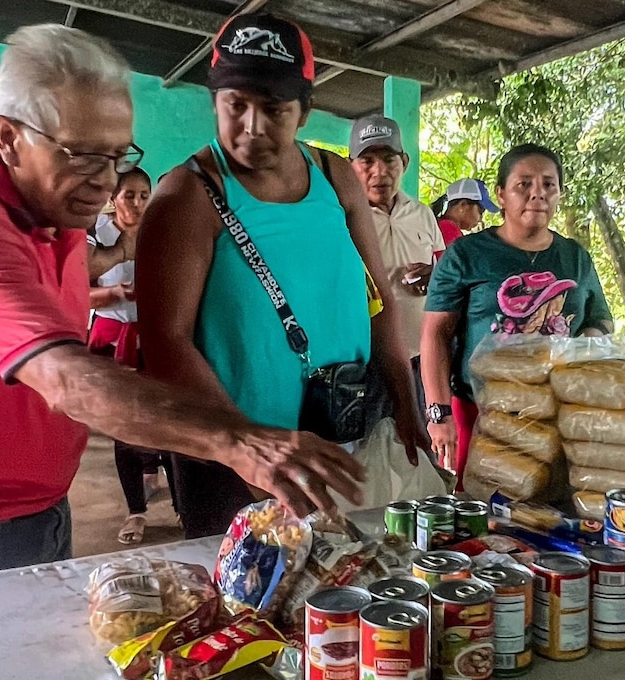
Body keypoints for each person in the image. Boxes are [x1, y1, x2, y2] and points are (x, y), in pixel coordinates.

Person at [0, 23, 365, 585]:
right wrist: (239, 443)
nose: (105, 182)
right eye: (82, 155)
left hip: (35, 493)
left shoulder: (49, 203)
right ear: (8, 137)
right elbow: (67, 380)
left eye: (116, 155)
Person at [136, 12, 426, 539]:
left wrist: (407, 401)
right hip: (234, 466)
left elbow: (378, 297)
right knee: (247, 586)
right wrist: (247, 448)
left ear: (305, 111)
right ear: (214, 100)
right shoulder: (187, 196)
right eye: (236, 105)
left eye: (274, 109)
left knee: (346, 574)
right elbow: (165, 344)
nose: (252, 126)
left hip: (341, 435)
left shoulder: (336, 178)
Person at [421, 144, 613, 488]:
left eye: (548, 185)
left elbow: (600, 319)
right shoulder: (466, 254)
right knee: (480, 506)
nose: (537, 193)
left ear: (559, 194)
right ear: (501, 195)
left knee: (552, 504)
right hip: (480, 414)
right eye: (524, 184)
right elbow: (436, 334)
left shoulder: (575, 257)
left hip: (558, 415)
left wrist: (584, 343)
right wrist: (439, 414)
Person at [87, 167, 173, 545]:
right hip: (113, 339)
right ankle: (136, 511)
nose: (137, 203)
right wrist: (111, 295)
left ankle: (182, 502)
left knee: (165, 422)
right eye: (128, 195)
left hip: (155, 339)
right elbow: (77, 292)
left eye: (143, 196)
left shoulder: (162, 232)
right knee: (123, 425)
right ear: (113, 198)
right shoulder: (97, 236)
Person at [348, 115, 443, 425]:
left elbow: (444, 271)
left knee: (420, 441)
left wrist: (434, 276)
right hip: (367, 361)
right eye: (367, 161)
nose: (380, 172)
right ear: (350, 167)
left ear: (404, 162)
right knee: (369, 443)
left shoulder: (423, 214)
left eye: (389, 159)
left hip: (420, 357)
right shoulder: (342, 218)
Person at [432, 178, 499, 253]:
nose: (480, 219)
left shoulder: (441, 225)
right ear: (463, 205)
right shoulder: (449, 229)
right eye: (481, 211)